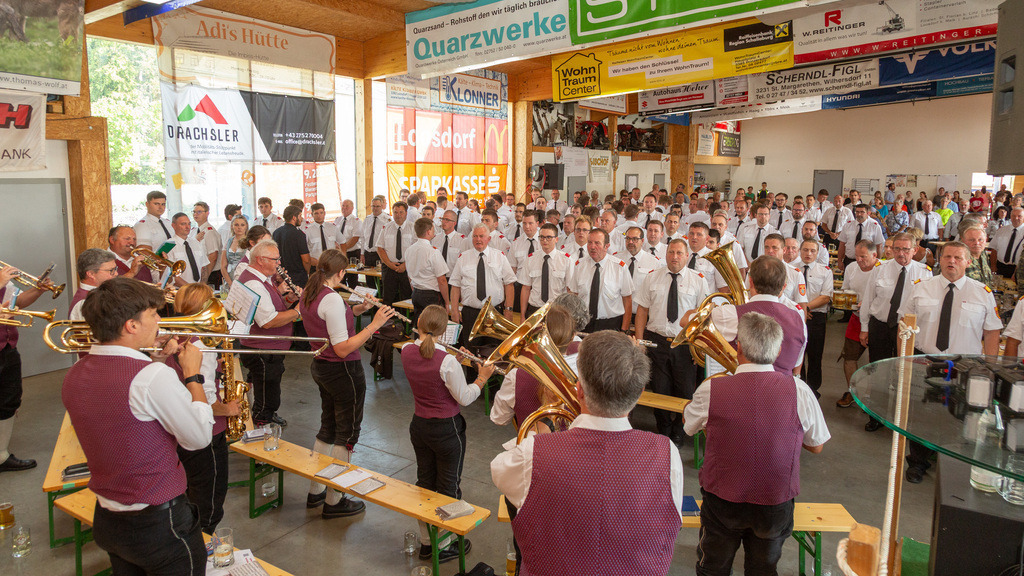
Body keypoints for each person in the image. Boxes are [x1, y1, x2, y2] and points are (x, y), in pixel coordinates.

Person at [492, 330, 683, 576]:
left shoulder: (533, 452)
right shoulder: (668, 454)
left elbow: (499, 470)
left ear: (579, 390)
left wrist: (543, 426)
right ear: (639, 395)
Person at [61, 277, 212, 573]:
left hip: (108, 518)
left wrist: (152, 360)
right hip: (159, 525)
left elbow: (121, 422)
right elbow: (199, 437)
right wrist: (192, 375)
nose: (160, 321)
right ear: (131, 325)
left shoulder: (74, 374)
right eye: (154, 314)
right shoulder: (151, 377)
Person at [684, 312, 829, 576]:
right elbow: (816, 445)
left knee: (712, 568)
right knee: (763, 569)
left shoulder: (711, 389)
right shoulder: (800, 390)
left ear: (738, 347)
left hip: (722, 500)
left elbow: (688, 425)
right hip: (774, 503)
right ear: (777, 350)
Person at [301, 250, 396, 517]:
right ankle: (335, 500)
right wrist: (374, 324)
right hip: (342, 370)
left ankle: (316, 490)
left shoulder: (311, 292)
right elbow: (342, 347)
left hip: (322, 367)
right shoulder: (330, 299)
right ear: (341, 273)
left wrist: (360, 309)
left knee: (327, 428)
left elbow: (332, 320)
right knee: (347, 435)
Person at [901, 242, 1001, 483]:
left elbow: (992, 333)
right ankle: (918, 462)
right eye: (947, 256)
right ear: (940, 259)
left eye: (958, 257)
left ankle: (955, 466)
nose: (952, 261)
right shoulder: (920, 288)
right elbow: (905, 327)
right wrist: (903, 360)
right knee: (921, 414)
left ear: (968, 262)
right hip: (925, 359)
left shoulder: (982, 293)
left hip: (965, 365)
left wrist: (990, 369)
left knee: (962, 416)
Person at [403, 305, 490, 562]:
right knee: (449, 486)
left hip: (419, 426)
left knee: (425, 484)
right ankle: (447, 544)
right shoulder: (447, 361)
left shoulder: (407, 350)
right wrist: (482, 377)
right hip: (447, 430)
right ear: (445, 331)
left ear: (419, 324)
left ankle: (428, 543)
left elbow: (431, 368)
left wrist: (456, 362)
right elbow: (464, 397)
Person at [165, 283, 239, 534]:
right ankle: (200, 546)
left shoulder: (172, 336)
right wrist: (228, 409)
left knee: (189, 487)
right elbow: (204, 399)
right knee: (211, 500)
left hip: (179, 428)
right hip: (207, 433)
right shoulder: (201, 346)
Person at [635, 238, 711, 442]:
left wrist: (700, 348)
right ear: (665, 254)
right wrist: (640, 342)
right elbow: (642, 310)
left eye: (679, 253)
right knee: (660, 389)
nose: (675, 257)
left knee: (685, 391)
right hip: (657, 342)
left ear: (687, 255)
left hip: (685, 345)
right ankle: (663, 430)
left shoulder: (699, 280)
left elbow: (704, 317)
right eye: (671, 252)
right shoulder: (652, 278)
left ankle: (679, 431)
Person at [859, 232, 932, 431]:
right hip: (880, 326)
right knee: (878, 371)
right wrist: (864, 328)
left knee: (904, 373)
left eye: (905, 249)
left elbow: (926, 308)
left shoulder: (925, 273)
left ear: (915, 250)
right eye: (896, 248)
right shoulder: (880, 269)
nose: (900, 253)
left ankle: (901, 417)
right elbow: (868, 299)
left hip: (907, 330)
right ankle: (877, 416)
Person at [229, 239, 300, 427]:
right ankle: (260, 437)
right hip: (263, 350)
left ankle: (265, 423)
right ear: (260, 260)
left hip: (267, 349)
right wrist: (299, 311)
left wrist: (287, 300)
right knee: (266, 400)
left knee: (269, 395)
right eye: (275, 259)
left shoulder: (261, 279)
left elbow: (269, 309)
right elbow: (267, 321)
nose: (279, 263)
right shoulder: (255, 284)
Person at [708, 256, 807, 375]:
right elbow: (796, 363)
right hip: (782, 389)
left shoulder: (729, 313)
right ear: (783, 287)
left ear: (750, 282)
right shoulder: (798, 319)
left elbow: (686, 321)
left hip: (741, 387)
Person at [489, 306, 577, 435]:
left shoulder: (516, 376)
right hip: (571, 451)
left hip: (530, 449)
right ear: (573, 337)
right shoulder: (583, 372)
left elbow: (499, 418)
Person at [449, 224, 516, 348]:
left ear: (489, 239)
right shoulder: (463, 257)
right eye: (475, 236)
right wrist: (454, 310)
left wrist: (509, 309)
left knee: (493, 351)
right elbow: (455, 286)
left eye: (481, 236)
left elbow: (509, 284)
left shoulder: (499, 256)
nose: (478, 239)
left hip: (494, 312)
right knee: (470, 353)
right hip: (470, 314)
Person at [836, 240, 880, 408]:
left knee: (874, 361)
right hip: (856, 318)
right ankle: (852, 391)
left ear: (874, 255)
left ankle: (870, 396)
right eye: (857, 256)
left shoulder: (882, 269)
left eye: (863, 256)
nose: (859, 260)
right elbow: (846, 290)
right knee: (849, 357)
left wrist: (869, 304)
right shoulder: (851, 268)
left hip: (876, 321)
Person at [568, 228, 633, 333]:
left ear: (606, 246)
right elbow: (574, 295)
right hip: (584, 323)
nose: (592, 247)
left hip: (610, 324)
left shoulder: (619, 267)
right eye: (589, 242)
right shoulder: (579, 265)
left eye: (597, 243)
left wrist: (624, 329)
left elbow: (627, 299)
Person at [797, 240, 833, 397]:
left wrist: (807, 308)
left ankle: (813, 389)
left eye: (812, 250)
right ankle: (800, 385)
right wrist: (801, 311)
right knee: (797, 354)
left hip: (815, 316)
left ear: (818, 253)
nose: (808, 253)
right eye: (805, 250)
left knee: (815, 354)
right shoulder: (792, 269)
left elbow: (825, 296)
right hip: (796, 315)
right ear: (800, 250)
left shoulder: (825, 271)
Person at [518, 223, 574, 318]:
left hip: (557, 309)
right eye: (542, 237)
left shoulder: (566, 260)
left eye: (549, 237)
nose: (545, 240)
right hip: (535, 309)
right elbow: (526, 288)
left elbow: (570, 291)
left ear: (556, 239)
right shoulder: (531, 259)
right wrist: (523, 316)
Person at [405, 218, 451, 324]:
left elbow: (409, 275)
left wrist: (415, 289)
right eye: (433, 229)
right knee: (432, 327)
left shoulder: (409, 250)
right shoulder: (433, 252)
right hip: (430, 295)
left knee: (419, 324)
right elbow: (442, 280)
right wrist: (447, 302)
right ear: (429, 231)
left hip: (416, 292)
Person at [616, 226, 661, 319]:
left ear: (642, 240)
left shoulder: (653, 262)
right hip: (618, 313)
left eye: (635, 239)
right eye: (628, 238)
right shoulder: (616, 259)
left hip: (640, 314)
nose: (631, 242)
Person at [377, 201, 414, 306]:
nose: (398, 215)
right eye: (395, 212)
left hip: (407, 267)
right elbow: (380, 248)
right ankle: (387, 321)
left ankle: (405, 322)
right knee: (387, 297)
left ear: (406, 213)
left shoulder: (413, 228)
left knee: (406, 297)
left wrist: (405, 265)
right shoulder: (386, 227)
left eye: (401, 212)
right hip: (389, 267)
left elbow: (417, 250)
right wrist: (389, 264)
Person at [70, 249, 119, 321]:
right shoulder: (84, 302)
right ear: (91, 274)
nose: (116, 273)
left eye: (115, 269)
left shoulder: (103, 292)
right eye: (111, 270)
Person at [272, 205, 312, 288]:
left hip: (281, 276)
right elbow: (306, 260)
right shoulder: (299, 234)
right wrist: (308, 273)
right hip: (298, 278)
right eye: (300, 216)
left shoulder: (276, 232)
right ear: (294, 218)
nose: (301, 218)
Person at [167, 213, 209, 287]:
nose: (187, 227)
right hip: (180, 290)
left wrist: (202, 287)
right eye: (183, 224)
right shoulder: (168, 245)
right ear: (173, 226)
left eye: (189, 224)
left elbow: (204, 267)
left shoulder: (196, 243)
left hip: (197, 289)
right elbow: (171, 274)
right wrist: (190, 288)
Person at [837, 204, 885, 269]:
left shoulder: (874, 226)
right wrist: (839, 261)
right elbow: (842, 244)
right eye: (857, 212)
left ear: (868, 213)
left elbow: (879, 246)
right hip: (849, 260)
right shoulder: (848, 225)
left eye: (862, 212)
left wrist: (877, 263)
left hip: (867, 262)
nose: (859, 214)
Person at [190, 202, 223, 287]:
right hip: (200, 272)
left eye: (199, 212)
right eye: (194, 212)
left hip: (211, 274)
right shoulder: (194, 231)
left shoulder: (209, 232)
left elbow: (213, 257)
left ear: (207, 213)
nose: (195, 214)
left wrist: (205, 278)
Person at [303, 202, 339, 271]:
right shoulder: (307, 230)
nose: (319, 216)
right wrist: (310, 260)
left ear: (324, 213)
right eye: (316, 213)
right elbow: (304, 250)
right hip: (315, 265)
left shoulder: (332, 227)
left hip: (331, 264)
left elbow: (342, 242)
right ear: (312, 215)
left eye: (321, 213)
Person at [991, 207, 1024, 278]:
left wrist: (1017, 273)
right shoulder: (1001, 231)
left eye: (1019, 216)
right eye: (1013, 216)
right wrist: (993, 267)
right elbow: (994, 249)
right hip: (1000, 267)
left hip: (1018, 269)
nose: (1016, 218)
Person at [432, 210, 466, 277]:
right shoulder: (435, 239)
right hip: (437, 277)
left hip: (454, 278)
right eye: (443, 219)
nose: (444, 222)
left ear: (454, 223)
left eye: (447, 220)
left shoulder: (461, 240)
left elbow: (464, 263)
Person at [219, 215, 249, 288]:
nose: (239, 227)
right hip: (230, 278)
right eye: (236, 225)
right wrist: (230, 283)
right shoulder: (228, 241)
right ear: (232, 226)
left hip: (245, 278)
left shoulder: (250, 242)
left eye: (242, 225)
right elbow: (223, 266)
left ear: (246, 226)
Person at [361, 195, 389, 269]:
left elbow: (388, 241)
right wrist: (362, 254)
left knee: (380, 279)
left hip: (379, 254)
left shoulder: (387, 220)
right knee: (369, 278)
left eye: (377, 206)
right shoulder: (367, 219)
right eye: (373, 206)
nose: (375, 208)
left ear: (382, 206)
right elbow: (363, 238)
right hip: (367, 253)